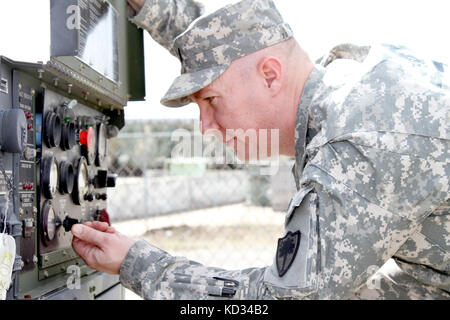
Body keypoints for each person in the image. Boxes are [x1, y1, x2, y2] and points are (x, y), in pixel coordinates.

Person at [71, 0, 450, 299]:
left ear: (270, 75)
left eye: (211, 101)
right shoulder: (345, 90)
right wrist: (152, 6)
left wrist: (139, 264)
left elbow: (285, 299)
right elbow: (229, 43)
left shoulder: (359, 140)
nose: (204, 126)